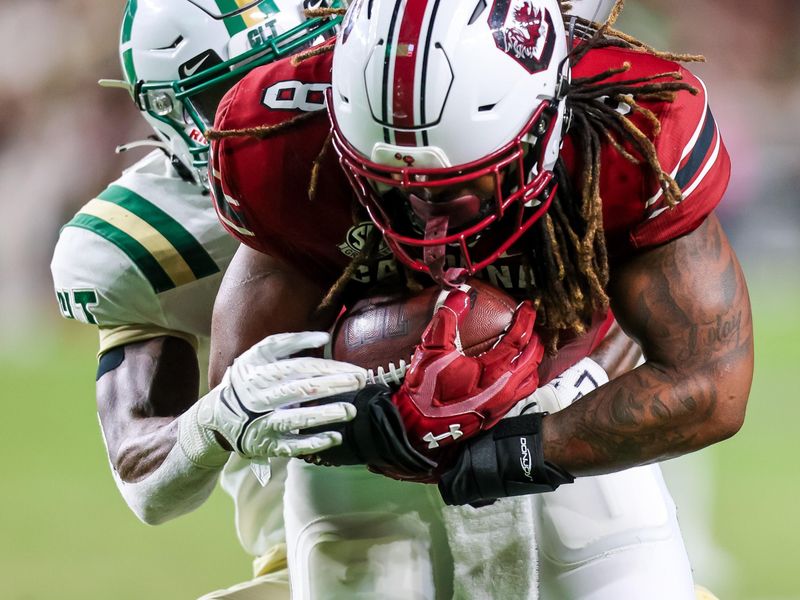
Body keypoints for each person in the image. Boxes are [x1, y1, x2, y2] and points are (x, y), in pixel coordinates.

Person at [200, 0, 750, 597]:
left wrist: (518, 450)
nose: (428, 217)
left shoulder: (631, 129)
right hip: (366, 483)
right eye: (389, 181)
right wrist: (357, 424)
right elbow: (243, 387)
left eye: (461, 181)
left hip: (566, 428)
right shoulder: (283, 141)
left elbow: (710, 383)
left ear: (545, 120)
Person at [49, 1, 349, 598]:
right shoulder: (140, 244)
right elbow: (141, 476)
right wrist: (219, 419)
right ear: (170, 116)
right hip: (317, 538)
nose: (285, 106)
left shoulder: (416, 127)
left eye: (300, 70)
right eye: (240, 91)